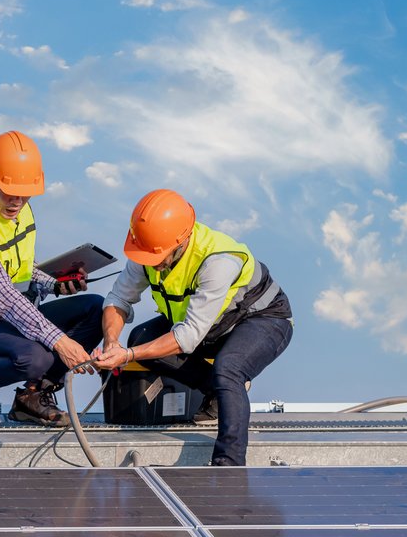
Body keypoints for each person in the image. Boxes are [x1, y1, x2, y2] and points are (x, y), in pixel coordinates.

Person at [92, 189, 293, 466]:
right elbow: (118, 299)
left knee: (229, 368)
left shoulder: (218, 261)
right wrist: (112, 341)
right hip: (208, 325)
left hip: (261, 320)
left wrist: (128, 355)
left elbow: (187, 337)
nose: (152, 263)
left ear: (181, 240)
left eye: (158, 257)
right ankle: (218, 390)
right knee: (142, 338)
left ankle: (229, 463)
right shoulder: (148, 250)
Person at [0, 130, 102, 427]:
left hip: (13, 317)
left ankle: (33, 397)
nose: (17, 202)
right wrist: (61, 342)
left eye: (24, 194)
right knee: (37, 357)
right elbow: (3, 295)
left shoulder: (20, 211)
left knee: (95, 309)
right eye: (9, 192)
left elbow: (21, 269)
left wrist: (54, 284)